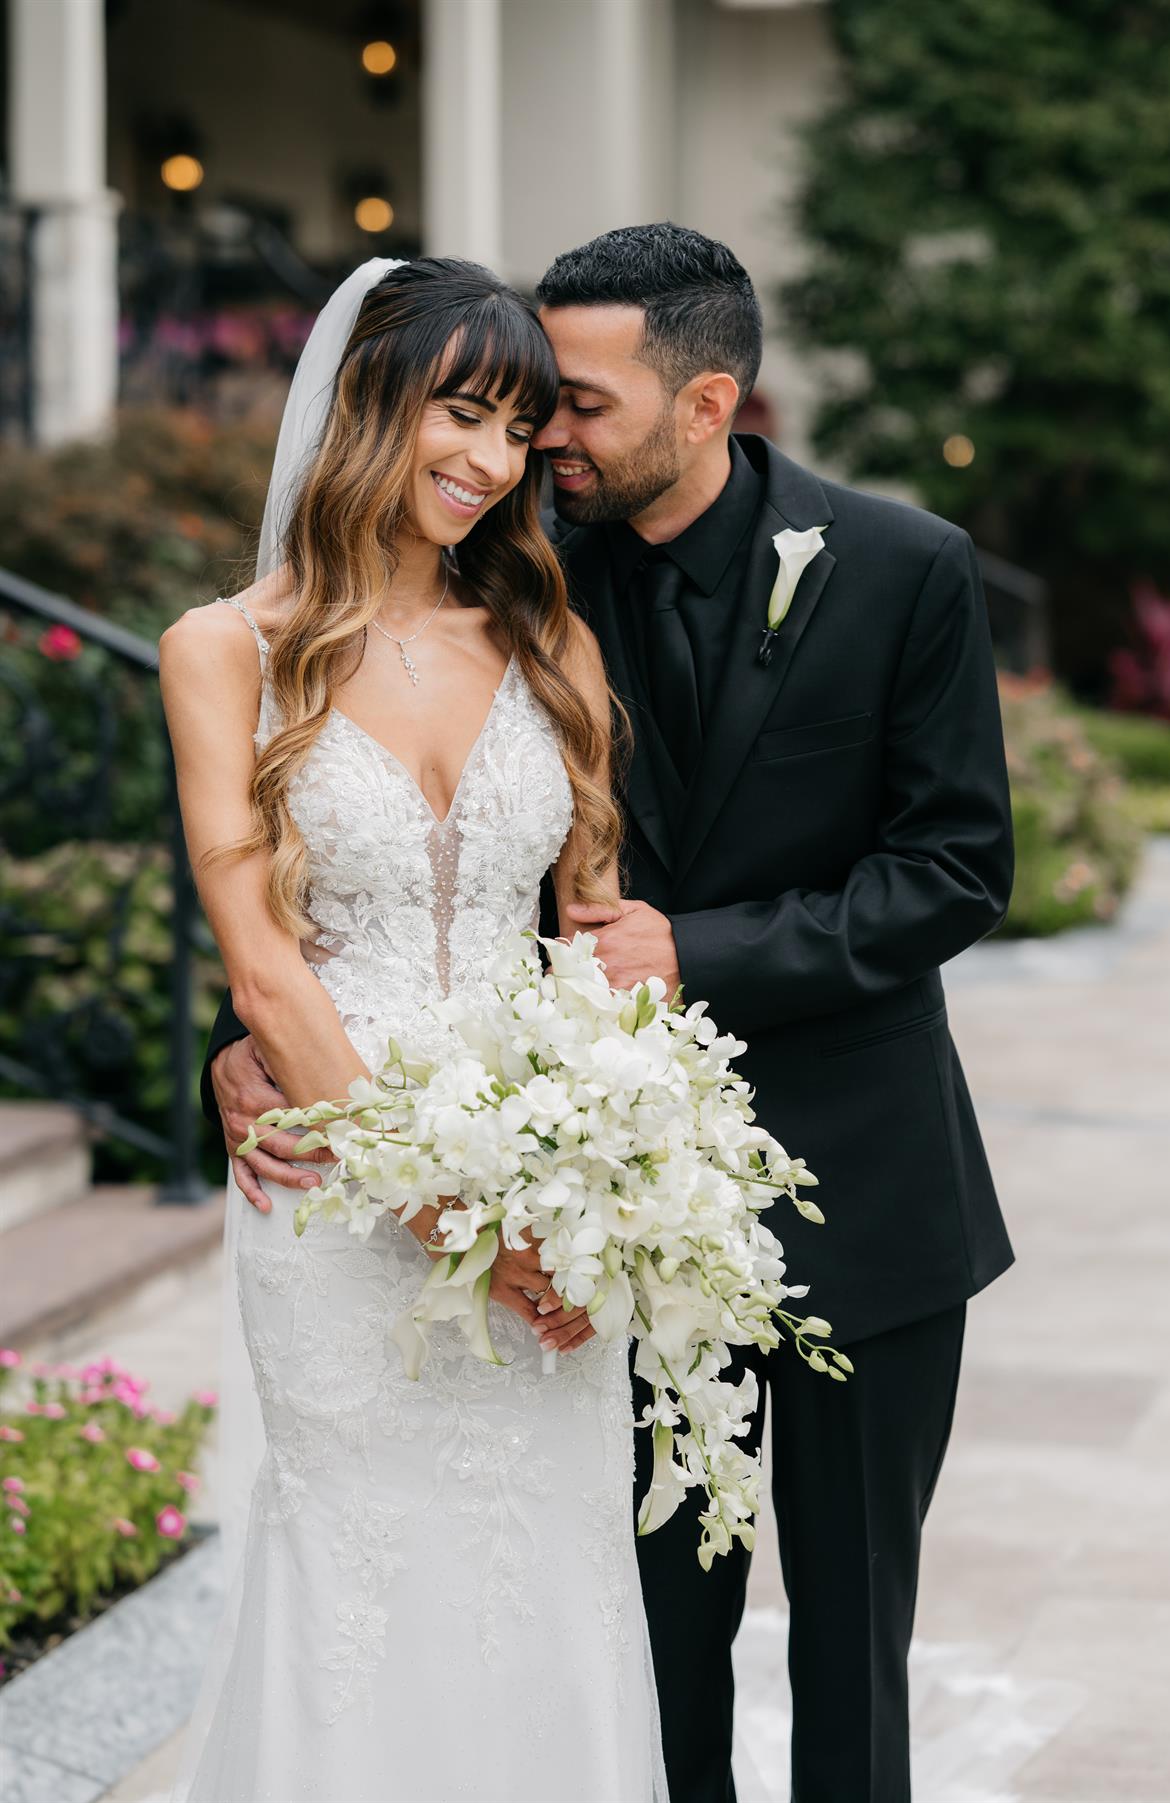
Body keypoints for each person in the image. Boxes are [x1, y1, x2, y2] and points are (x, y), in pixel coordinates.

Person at [205, 223, 1015, 1803]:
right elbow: (372, 859)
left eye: (570, 405)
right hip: (583, 1219)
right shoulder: (516, 582)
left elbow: (955, 870)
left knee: (854, 1652)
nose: (538, 442)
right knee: (642, 1649)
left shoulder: (904, 567)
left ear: (706, 404)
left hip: (864, 1187)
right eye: (519, 409)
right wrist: (245, 1050)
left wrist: (691, 953)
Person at [160, 255, 668, 1803]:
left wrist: (601, 1189)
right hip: (334, 1193)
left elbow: (596, 942)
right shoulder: (225, 651)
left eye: (518, 428)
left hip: (543, 1191)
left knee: (551, 1566)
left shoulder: (549, 642)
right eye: (462, 412)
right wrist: (458, 1226)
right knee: (360, 1572)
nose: (493, 460)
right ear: (365, 398)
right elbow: (266, 975)